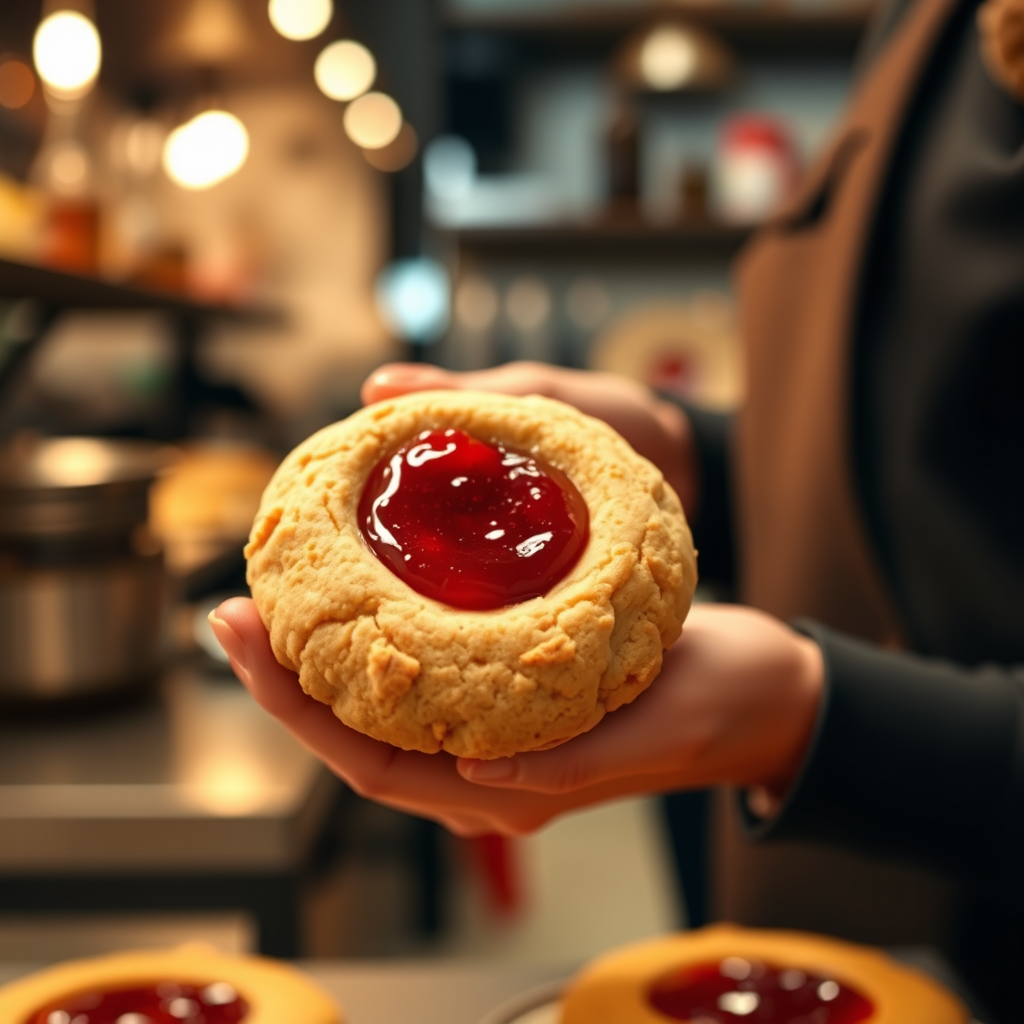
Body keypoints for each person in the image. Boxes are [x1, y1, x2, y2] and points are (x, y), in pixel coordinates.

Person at [210, 0, 1023, 1017]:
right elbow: (935, 455)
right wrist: (684, 455)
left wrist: (809, 722)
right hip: (823, 931)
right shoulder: (921, 23)